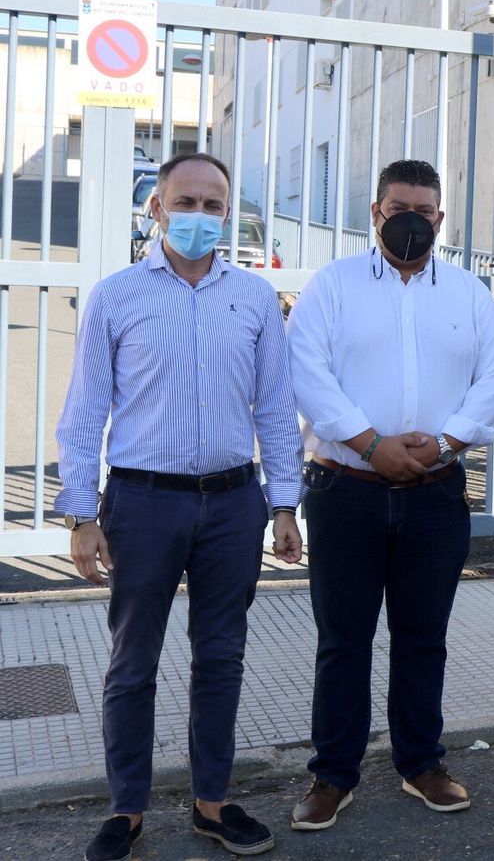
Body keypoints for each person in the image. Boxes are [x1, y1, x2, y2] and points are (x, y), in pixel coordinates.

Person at [56, 152, 303, 861]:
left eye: (213, 204)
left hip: (232, 504)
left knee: (220, 659)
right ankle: (126, 809)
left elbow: (277, 409)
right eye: (185, 201)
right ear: (157, 208)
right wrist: (82, 514)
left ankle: (212, 803)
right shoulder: (116, 295)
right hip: (142, 503)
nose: (200, 215)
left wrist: (283, 504)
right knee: (133, 662)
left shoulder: (254, 298)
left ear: (228, 214)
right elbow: (82, 413)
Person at [285, 159, 494, 831]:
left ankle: (421, 763)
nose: (411, 220)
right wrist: (369, 443)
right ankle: (332, 775)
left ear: (440, 219)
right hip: (344, 490)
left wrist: (444, 444)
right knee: (343, 640)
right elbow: (308, 374)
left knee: (423, 637)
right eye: (397, 208)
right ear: (377, 213)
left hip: (436, 492)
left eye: (424, 210)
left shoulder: (470, 295)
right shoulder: (333, 286)